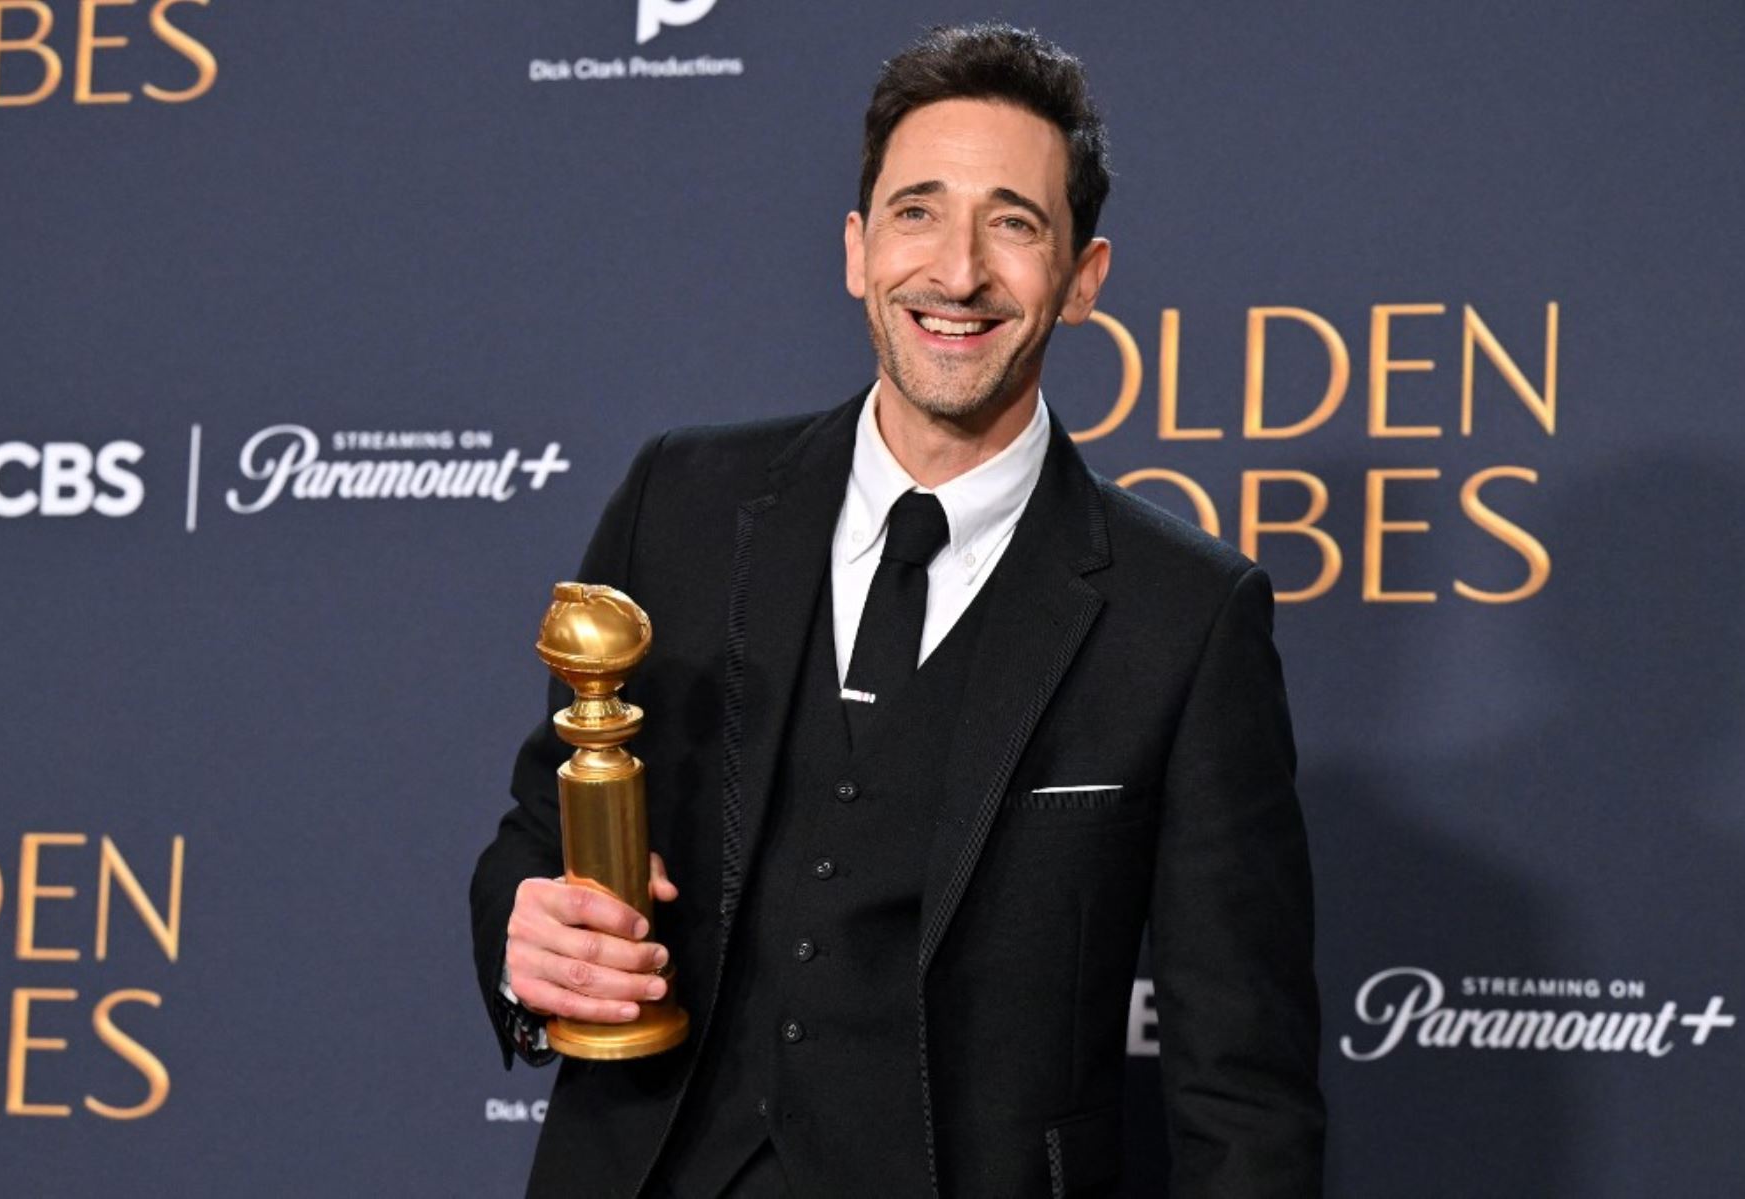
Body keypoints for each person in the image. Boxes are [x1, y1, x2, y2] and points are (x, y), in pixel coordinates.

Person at [471, 22, 1323, 1198]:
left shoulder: (1184, 614)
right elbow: (536, 835)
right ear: (858, 250)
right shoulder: (684, 500)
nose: (958, 271)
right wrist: (529, 948)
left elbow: (1243, 1085)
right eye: (918, 212)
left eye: (1014, 223)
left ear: (1084, 278)